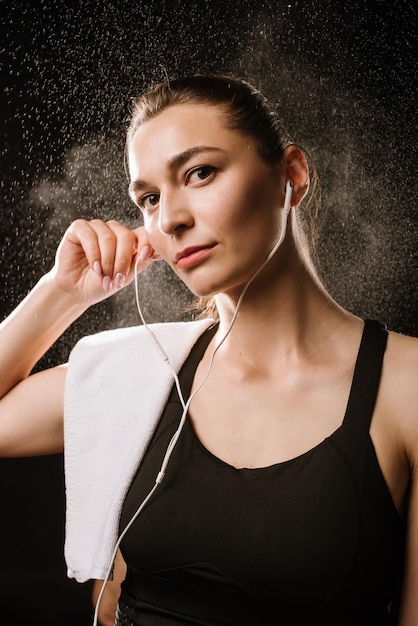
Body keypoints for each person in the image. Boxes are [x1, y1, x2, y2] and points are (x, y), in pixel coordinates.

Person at [0, 74, 417, 626]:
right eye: (148, 198)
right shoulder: (142, 373)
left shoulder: (406, 387)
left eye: (200, 173)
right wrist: (60, 293)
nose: (170, 217)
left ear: (291, 174)